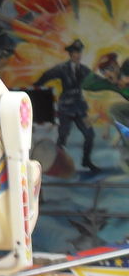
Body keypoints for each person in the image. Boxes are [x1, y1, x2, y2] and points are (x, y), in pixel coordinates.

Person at [39, 39, 99, 174]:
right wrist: (37, 87)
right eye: (76, 52)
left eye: (80, 52)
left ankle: (86, 160)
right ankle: (56, 163)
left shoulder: (83, 70)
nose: (78, 55)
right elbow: (46, 75)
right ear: (71, 54)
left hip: (80, 109)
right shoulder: (62, 68)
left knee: (90, 134)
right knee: (62, 137)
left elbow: (95, 80)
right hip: (66, 108)